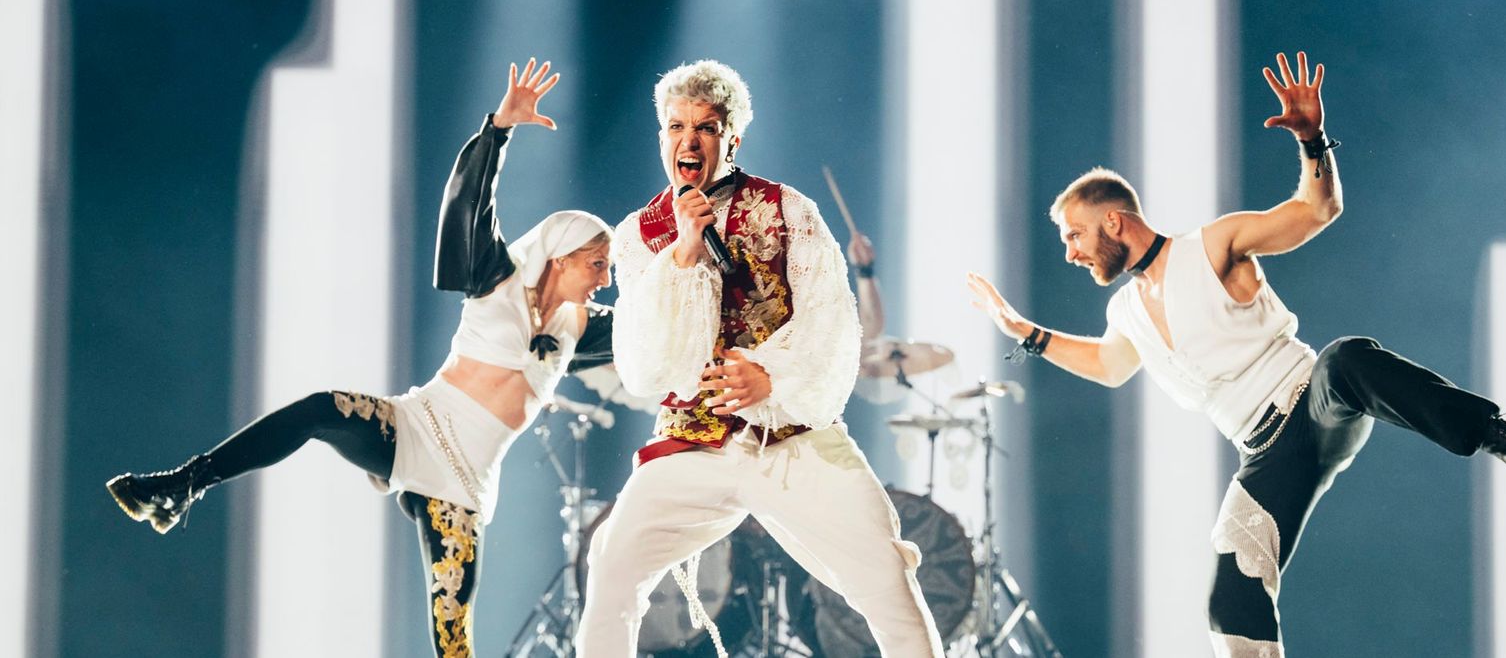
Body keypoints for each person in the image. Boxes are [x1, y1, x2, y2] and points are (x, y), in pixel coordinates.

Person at [967, 52, 1506, 658]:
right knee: (1230, 599)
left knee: (1345, 358)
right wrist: (1026, 332)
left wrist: (1312, 141)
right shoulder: (1124, 312)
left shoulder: (1211, 245)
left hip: (1315, 404)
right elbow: (1109, 367)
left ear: (1113, 222)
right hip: (1265, 455)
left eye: (1074, 235)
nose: (1070, 253)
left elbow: (1317, 210)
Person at [106, 59, 614, 658]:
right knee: (322, 409)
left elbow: (663, 325)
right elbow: (469, 205)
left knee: (453, 638)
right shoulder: (495, 278)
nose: (605, 279)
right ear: (560, 258)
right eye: (597, 265)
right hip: (418, 426)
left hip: (465, 486)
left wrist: (690, 247)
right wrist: (499, 129)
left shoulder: (580, 327)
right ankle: (183, 485)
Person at [573, 60, 942, 657]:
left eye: (706, 127)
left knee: (885, 575)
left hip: (790, 438)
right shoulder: (639, 234)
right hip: (693, 441)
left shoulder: (788, 209)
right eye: (676, 127)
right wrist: (683, 253)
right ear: (662, 136)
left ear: (732, 139)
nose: (689, 141)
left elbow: (832, 321)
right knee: (612, 563)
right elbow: (644, 361)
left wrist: (771, 374)